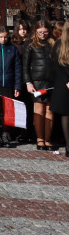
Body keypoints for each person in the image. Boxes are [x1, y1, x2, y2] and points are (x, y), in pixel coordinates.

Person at [24, 19, 55, 150]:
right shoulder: (30, 44)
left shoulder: (54, 43)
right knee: (39, 110)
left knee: (49, 111)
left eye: (45, 32)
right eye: (40, 32)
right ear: (35, 32)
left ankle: (48, 139)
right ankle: (39, 138)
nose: (43, 35)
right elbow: (25, 65)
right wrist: (28, 82)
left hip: (51, 81)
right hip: (36, 81)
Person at [47, 26, 69, 158]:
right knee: (66, 114)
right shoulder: (60, 43)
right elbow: (56, 63)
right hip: (64, 83)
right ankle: (68, 145)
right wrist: (66, 80)